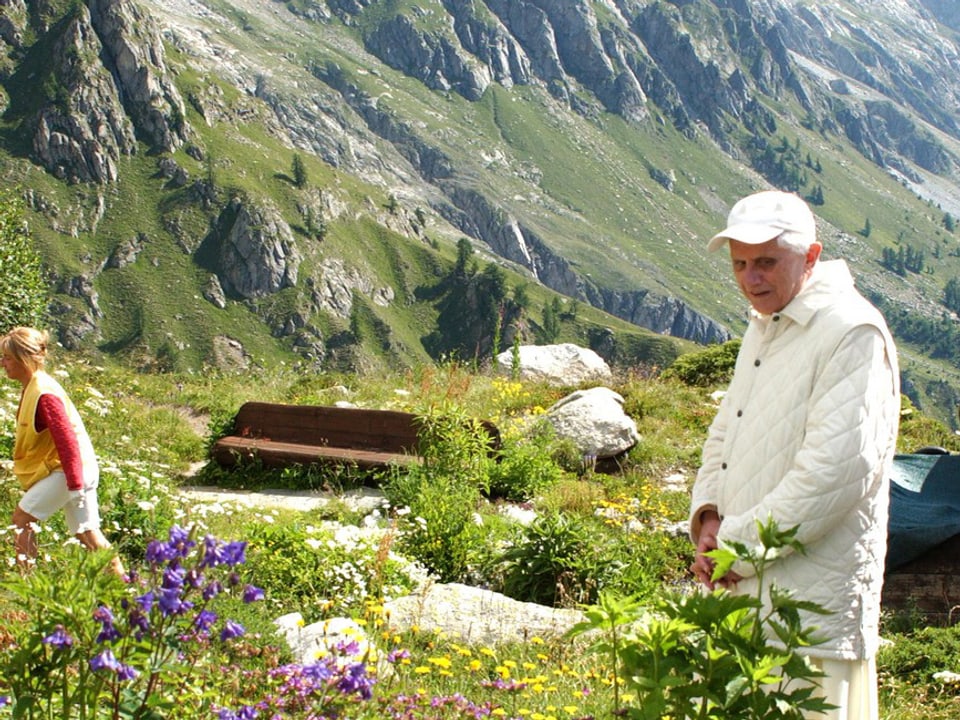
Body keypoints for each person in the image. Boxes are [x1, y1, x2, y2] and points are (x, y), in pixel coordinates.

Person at [688, 190, 900, 719]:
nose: (750, 278)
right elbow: (726, 431)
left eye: (765, 262)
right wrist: (710, 516)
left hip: (810, 615)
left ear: (810, 257)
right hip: (743, 588)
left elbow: (833, 474)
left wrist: (732, 545)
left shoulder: (852, 332)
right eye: (739, 264)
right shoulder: (766, 326)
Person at [0, 326, 124, 576]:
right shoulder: (37, 386)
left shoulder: (43, 393)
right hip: (75, 469)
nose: (3, 363)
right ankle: (128, 594)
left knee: (22, 521)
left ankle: (29, 592)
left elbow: (66, 439)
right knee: (87, 534)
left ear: (25, 358)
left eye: (8, 358)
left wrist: (76, 486)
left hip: (68, 471)